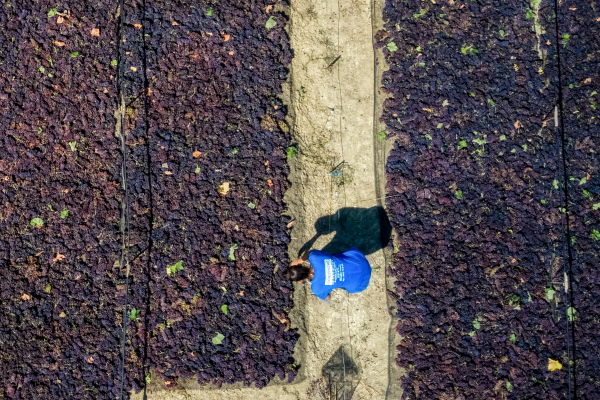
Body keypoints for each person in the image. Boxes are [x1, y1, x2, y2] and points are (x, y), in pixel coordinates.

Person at [283, 247, 372, 302]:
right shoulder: (314, 257)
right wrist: (299, 260)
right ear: (300, 266)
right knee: (346, 253)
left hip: (360, 282)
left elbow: (328, 298)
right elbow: (311, 251)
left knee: (346, 288)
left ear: (300, 280)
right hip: (359, 260)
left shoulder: (317, 289)